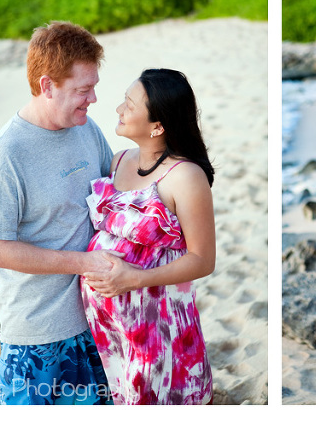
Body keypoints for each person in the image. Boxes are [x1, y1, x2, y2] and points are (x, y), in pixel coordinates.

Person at [0, 21, 118, 404]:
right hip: (37, 338)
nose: (94, 99)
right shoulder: (8, 153)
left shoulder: (85, 128)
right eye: (84, 90)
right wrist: (84, 262)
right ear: (47, 85)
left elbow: (115, 191)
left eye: (94, 87)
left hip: (95, 322)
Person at [80, 68, 216, 405]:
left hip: (158, 329)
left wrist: (135, 279)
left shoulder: (185, 176)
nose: (118, 110)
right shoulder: (117, 161)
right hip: (108, 328)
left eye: (129, 104)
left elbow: (203, 260)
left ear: (158, 126)